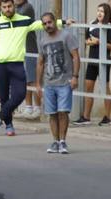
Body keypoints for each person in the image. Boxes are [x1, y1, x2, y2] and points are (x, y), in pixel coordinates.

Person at [0, 0, 49, 137]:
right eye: (4, 7)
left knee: (20, 94)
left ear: (14, 6)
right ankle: (9, 126)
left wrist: (63, 22)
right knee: (4, 96)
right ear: (1, 8)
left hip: (17, 64)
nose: (7, 9)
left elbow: (41, 24)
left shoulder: (24, 21)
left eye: (9, 6)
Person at [36, 9, 76, 153]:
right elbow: (40, 62)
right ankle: (55, 141)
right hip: (49, 82)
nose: (48, 25)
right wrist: (38, 83)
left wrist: (75, 77)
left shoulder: (66, 36)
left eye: (50, 22)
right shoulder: (43, 41)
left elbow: (76, 57)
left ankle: (63, 141)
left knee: (63, 112)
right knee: (52, 113)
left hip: (65, 81)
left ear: (55, 21)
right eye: (45, 23)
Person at [74, 2, 111, 126]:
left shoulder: (110, 26)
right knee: (88, 87)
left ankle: (107, 117)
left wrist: (99, 42)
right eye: (98, 11)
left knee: (105, 88)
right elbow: (87, 40)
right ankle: (86, 117)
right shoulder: (92, 24)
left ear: (106, 13)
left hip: (104, 61)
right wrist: (89, 42)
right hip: (92, 60)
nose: (99, 13)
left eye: (102, 11)